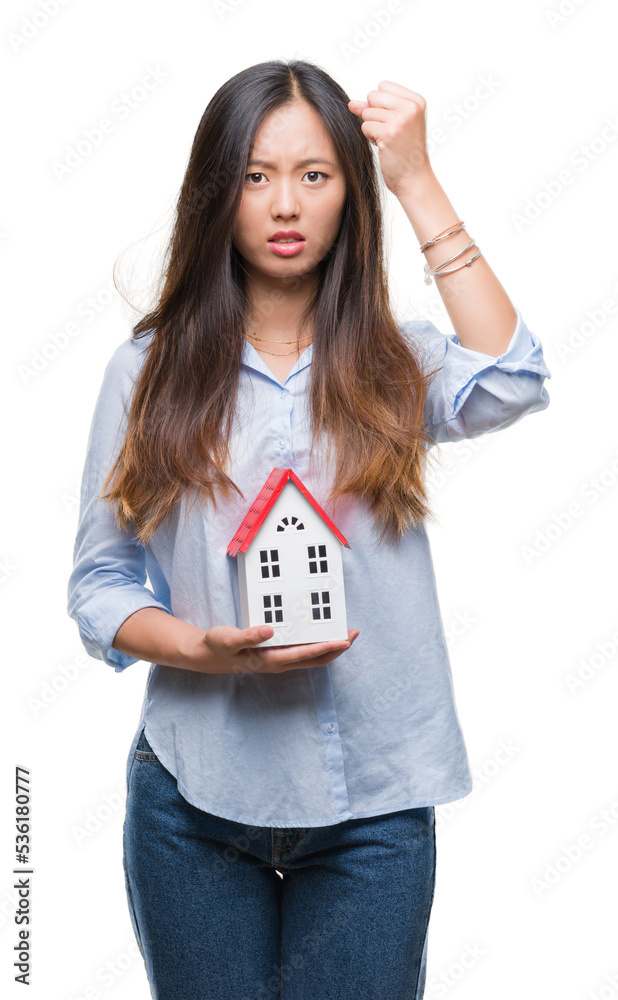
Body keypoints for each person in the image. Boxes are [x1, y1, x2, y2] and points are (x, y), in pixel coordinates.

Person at [67, 59, 551, 1000]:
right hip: (194, 800)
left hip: (376, 805)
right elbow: (100, 585)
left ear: (348, 195)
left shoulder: (396, 359)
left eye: (316, 174)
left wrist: (414, 176)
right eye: (256, 175)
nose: (285, 203)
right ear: (219, 194)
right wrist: (202, 648)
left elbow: (513, 378)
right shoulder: (147, 371)